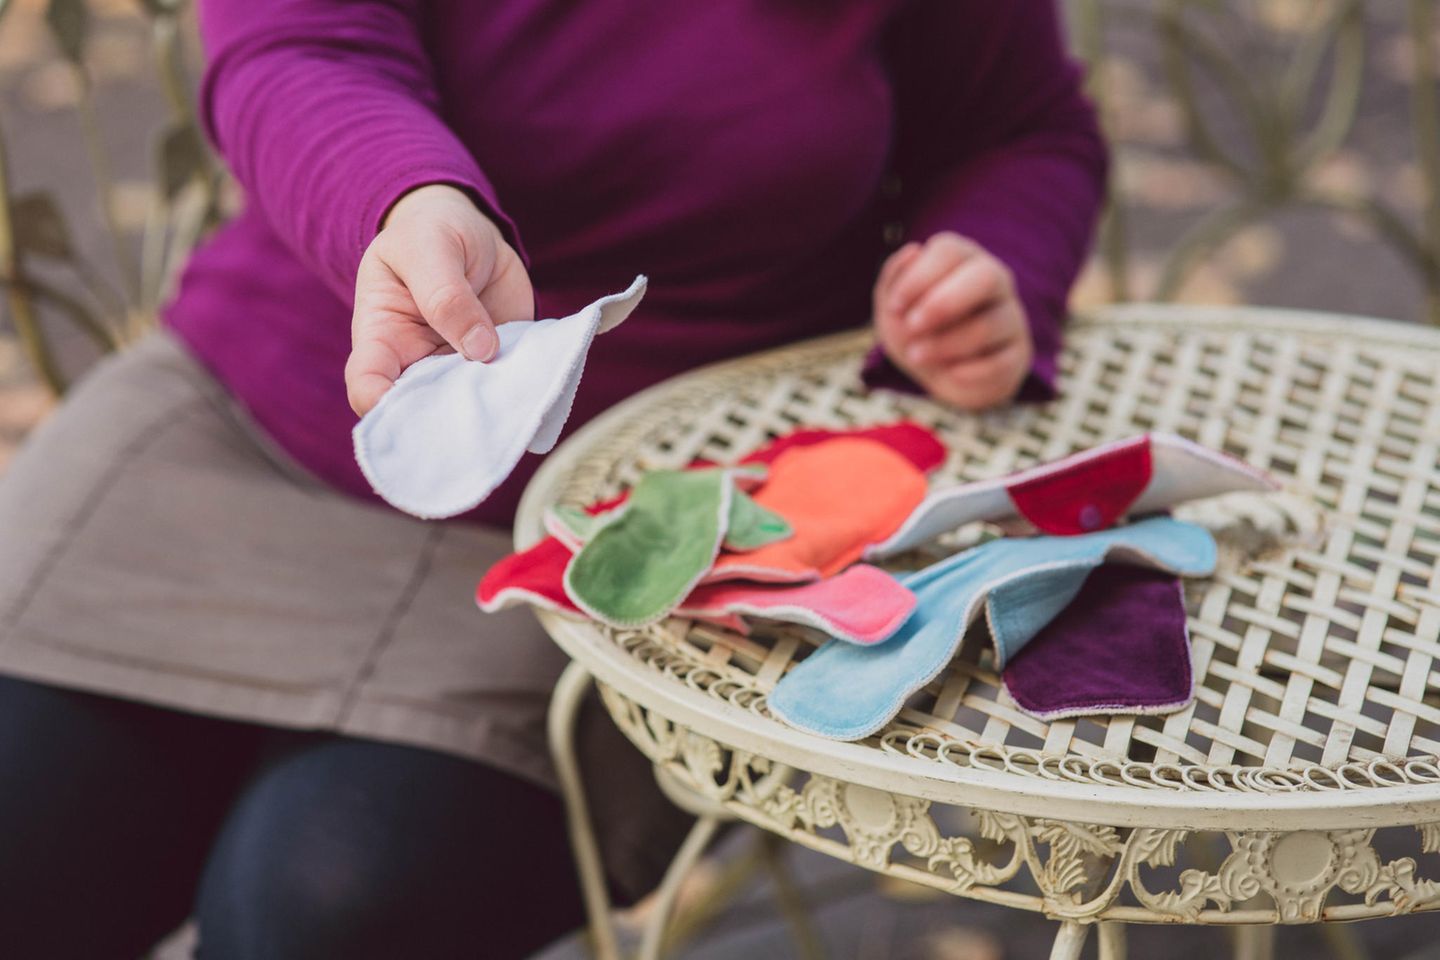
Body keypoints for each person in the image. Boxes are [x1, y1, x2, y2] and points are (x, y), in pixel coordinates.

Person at [0, 1, 1106, 956]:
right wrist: (404, 199)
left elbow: (1020, 132)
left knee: (326, 901)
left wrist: (986, 268)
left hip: (638, 535)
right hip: (250, 425)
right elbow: (294, 39)